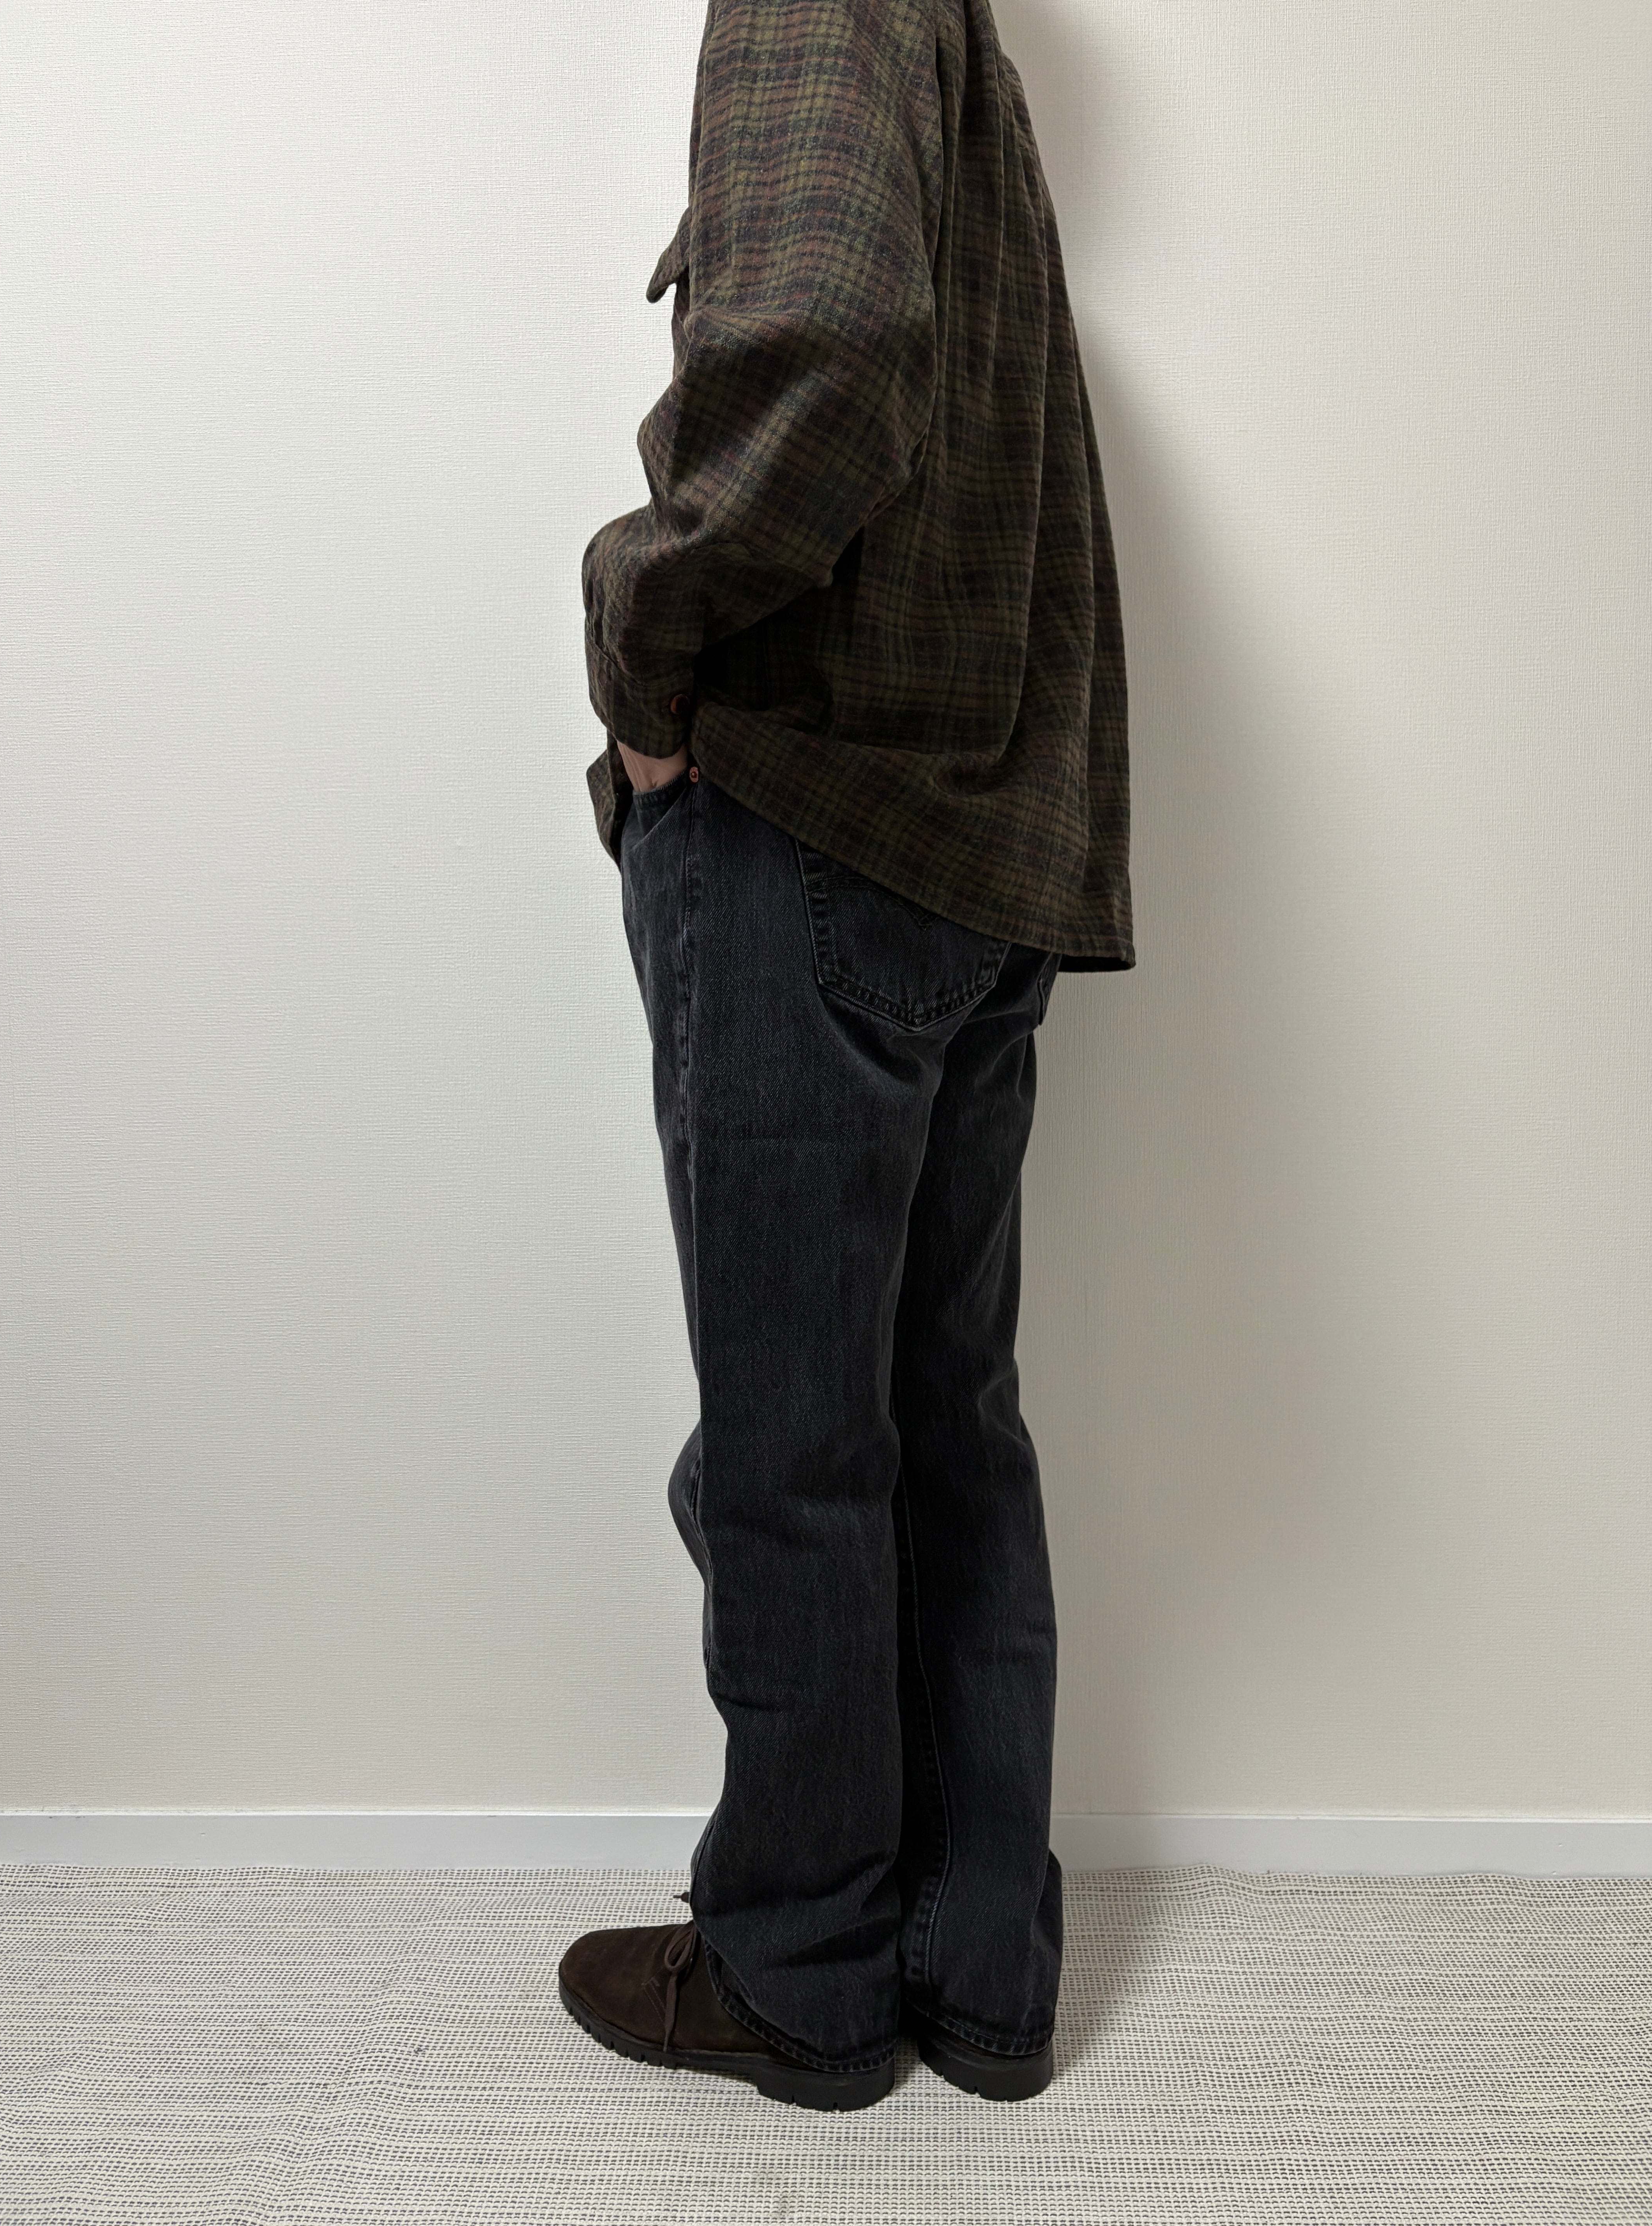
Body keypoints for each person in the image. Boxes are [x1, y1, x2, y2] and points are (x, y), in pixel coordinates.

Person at [562, 0, 1132, 2112]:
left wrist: (642, 641)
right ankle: (976, 1976)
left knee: (800, 1452)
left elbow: (820, 335)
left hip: (813, 830)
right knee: (946, 1426)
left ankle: (802, 1973)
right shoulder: (957, 53)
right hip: (973, 853)